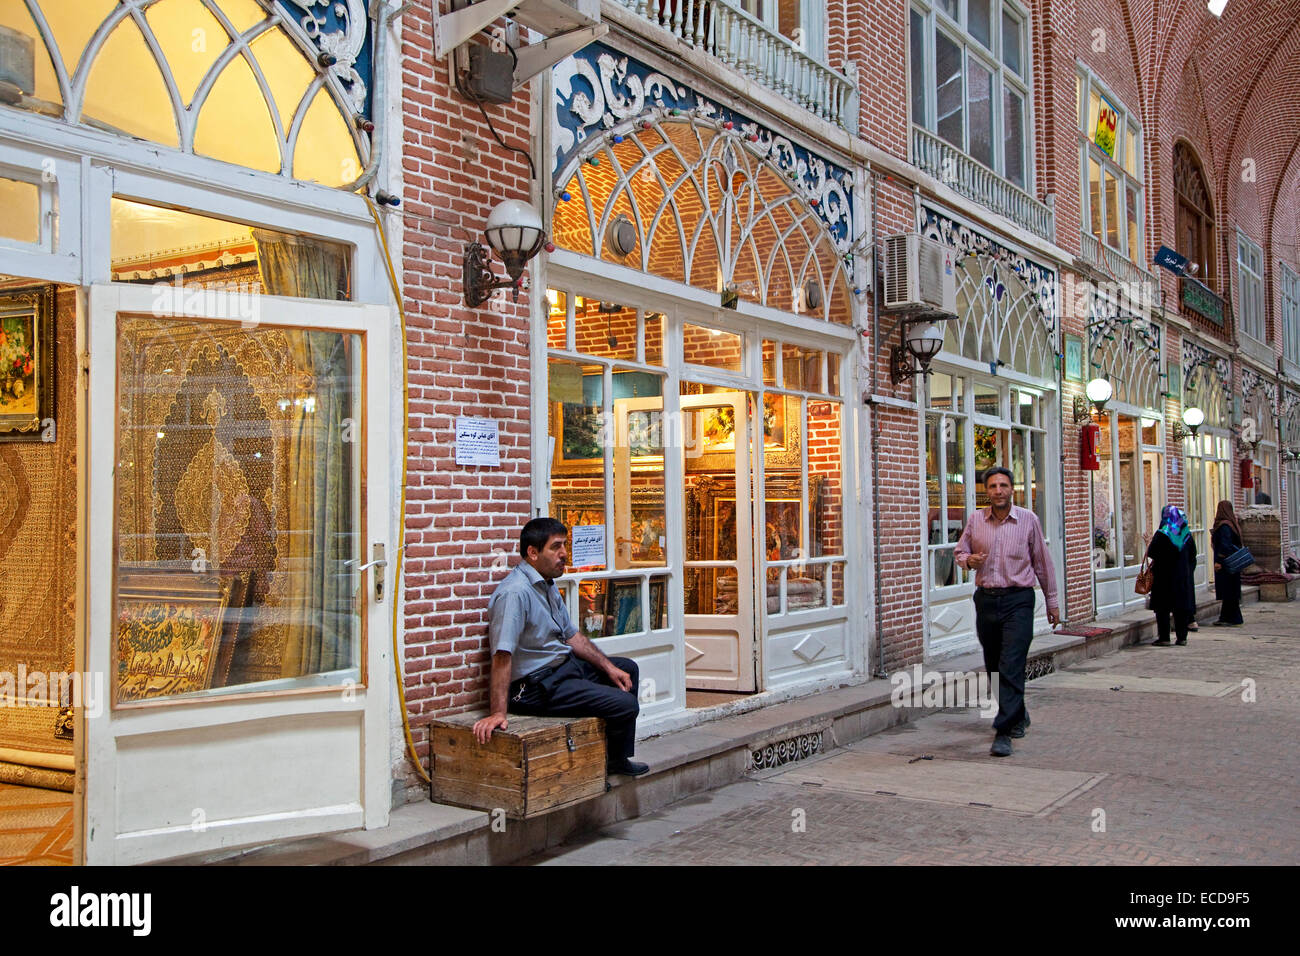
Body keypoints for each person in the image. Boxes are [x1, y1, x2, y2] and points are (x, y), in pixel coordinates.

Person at [472, 517, 649, 776]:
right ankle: (601, 764)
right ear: (532, 553)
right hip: (534, 687)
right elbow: (502, 655)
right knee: (625, 705)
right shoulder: (515, 593)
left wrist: (609, 668)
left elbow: (572, 636)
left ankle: (615, 760)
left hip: (562, 669)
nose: (564, 554)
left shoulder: (547, 584)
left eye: (564, 545)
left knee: (627, 670)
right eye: (556, 547)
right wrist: (498, 712)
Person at [954, 466, 1061, 758]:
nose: (998, 491)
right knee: (994, 665)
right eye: (992, 486)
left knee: (1012, 661)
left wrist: (1052, 602)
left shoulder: (1028, 520)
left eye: (1003, 485)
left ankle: (1003, 730)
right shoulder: (976, 519)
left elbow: (1043, 563)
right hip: (987, 601)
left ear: (1012, 489)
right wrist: (968, 561)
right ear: (985, 491)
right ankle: (1018, 713)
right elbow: (959, 551)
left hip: (1019, 600)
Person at [1146, 505, 1197, 646]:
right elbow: (1193, 555)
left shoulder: (1162, 533)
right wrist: (1187, 571)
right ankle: (1182, 637)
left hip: (1163, 578)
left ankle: (1164, 637)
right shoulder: (1186, 535)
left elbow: (1152, 552)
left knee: (1163, 608)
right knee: (1180, 608)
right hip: (1181, 578)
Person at [1211, 500, 1245, 627]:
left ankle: (1231, 617)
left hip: (1226, 564)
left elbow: (1225, 545)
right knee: (1230, 592)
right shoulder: (1232, 524)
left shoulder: (1225, 526)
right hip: (1233, 564)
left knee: (1228, 591)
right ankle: (1227, 617)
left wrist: (1219, 561)